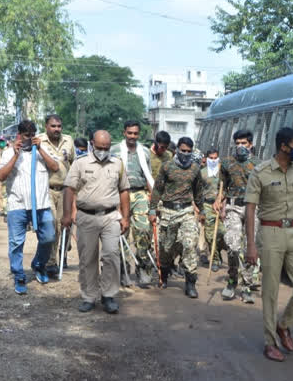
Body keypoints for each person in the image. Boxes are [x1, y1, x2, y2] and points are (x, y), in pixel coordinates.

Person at [245, 127, 293, 362]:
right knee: (271, 291)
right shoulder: (261, 172)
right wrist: (251, 246)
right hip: (270, 231)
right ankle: (270, 341)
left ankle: (285, 325)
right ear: (283, 146)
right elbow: (250, 208)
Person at [62, 130, 130, 314]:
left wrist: (126, 217)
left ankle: (108, 295)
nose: (103, 151)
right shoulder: (80, 163)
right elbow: (69, 189)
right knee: (88, 258)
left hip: (110, 217)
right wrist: (67, 214)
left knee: (111, 255)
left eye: (106, 148)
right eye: (99, 147)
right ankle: (89, 296)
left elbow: (124, 190)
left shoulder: (117, 163)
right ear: (92, 144)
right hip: (86, 217)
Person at [0, 120, 60, 295]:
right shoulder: (9, 152)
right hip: (18, 205)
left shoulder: (40, 151)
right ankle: (19, 275)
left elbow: (55, 167)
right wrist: (15, 155)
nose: (29, 139)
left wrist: (39, 149)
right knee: (16, 243)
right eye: (26, 136)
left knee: (48, 237)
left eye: (32, 135)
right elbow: (0, 176)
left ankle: (39, 265)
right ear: (19, 135)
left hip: (41, 204)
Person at [149, 137, 205, 298]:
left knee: (189, 245)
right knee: (166, 248)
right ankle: (164, 273)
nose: (185, 154)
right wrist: (152, 210)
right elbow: (157, 189)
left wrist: (201, 210)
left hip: (186, 211)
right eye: (183, 150)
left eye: (189, 151)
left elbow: (198, 192)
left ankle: (190, 283)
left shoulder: (195, 169)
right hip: (167, 211)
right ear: (177, 150)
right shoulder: (167, 167)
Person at [215, 129, 259, 303]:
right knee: (233, 246)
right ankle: (232, 280)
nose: (240, 146)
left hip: (253, 209)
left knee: (250, 247)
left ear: (251, 145)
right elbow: (222, 186)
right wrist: (219, 200)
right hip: (234, 207)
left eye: (244, 143)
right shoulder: (226, 163)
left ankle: (247, 286)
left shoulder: (259, 164)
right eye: (238, 143)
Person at [111, 120, 154, 288]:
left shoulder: (144, 152)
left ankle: (143, 266)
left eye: (135, 133)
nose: (132, 136)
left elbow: (149, 176)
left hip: (140, 193)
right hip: (120, 194)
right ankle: (123, 269)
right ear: (124, 133)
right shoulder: (114, 151)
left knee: (144, 230)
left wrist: (154, 201)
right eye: (129, 133)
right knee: (122, 233)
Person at [39, 114, 74, 277]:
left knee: (64, 225)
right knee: (51, 225)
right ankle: (50, 262)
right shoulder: (39, 141)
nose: (56, 129)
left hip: (66, 190)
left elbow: (73, 165)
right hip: (46, 189)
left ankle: (62, 254)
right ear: (46, 126)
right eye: (53, 126)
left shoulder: (68, 140)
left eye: (59, 126)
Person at [201, 148, 226, 272]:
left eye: (215, 158)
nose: (213, 160)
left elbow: (227, 188)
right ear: (206, 159)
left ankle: (219, 249)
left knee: (222, 232)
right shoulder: (202, 173)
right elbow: (198, 191)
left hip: (221, 206)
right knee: (210, 236)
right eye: (210, 158)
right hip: (207, 205)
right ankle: (215, 259)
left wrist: (221, 202)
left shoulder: (223, 172)